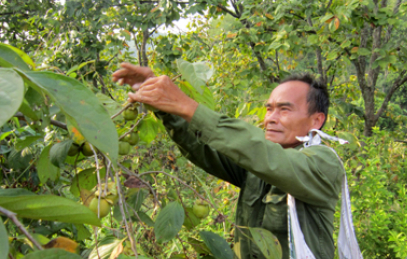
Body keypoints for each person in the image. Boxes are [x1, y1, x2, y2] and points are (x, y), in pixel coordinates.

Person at [112, 63, 344, 259]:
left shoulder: (323, 164)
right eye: (269, 109)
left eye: (284, 110)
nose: (270, 119)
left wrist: (187, 105)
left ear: (316, 120)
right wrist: (164, 106)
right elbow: (203, 148)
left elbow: (270, 159)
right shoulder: (257, 163)